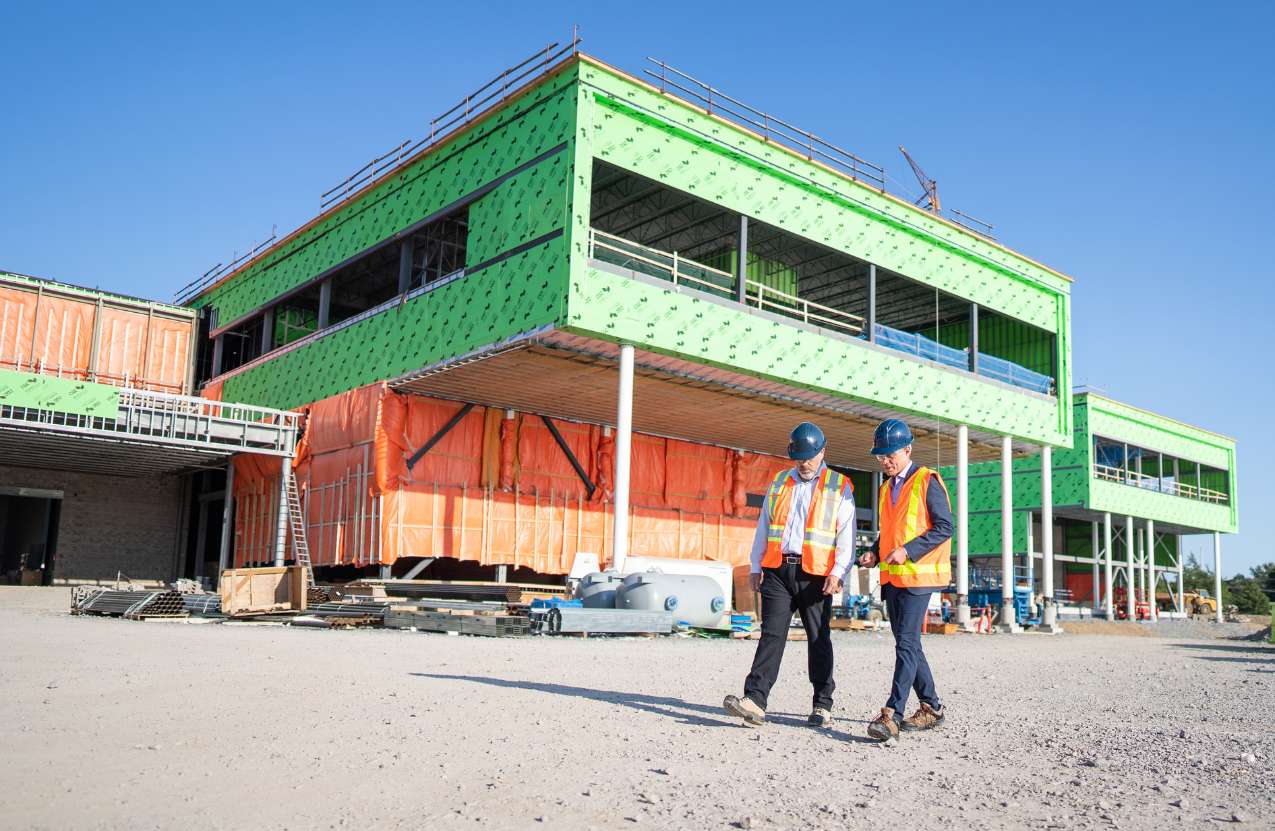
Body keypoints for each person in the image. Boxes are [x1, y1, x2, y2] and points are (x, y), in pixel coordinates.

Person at [723, 421, 856, 728]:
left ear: (822, 452)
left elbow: (846, 535)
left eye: (810, 456)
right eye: (800, 457)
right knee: (771, 635)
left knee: (818, 638)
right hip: (778, 570)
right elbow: (763, 527)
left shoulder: (839, 485)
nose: (805, 462)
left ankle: (822, 704)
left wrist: (839, 572)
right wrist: (756, 566)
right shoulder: (780, 481)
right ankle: (755, 701)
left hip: (816, 576)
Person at [857, 418, 953, 741]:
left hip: (917, 578)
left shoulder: (928, 481)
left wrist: (908, 551)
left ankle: (892, 715)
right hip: (893, 579)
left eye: (890, 455)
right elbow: (890, 533)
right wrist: (874, 551)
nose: (885, 461)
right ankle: (932, 707)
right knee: (908, 644)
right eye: (880, 456)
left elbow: (944, 527)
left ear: (907, 449)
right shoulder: (886, 488)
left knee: (907, 645)